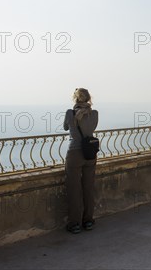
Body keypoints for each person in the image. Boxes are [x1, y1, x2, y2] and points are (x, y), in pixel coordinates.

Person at [63, 88, 99, 234]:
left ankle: (75, 224)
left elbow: (66, 127)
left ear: (75, 99)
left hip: (74, 153)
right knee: (88, 188)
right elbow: (92, 128)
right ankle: (88, 221)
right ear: (89, 98)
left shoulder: (70, 113)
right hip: (90, 152)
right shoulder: (94, 113)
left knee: (74, 189)